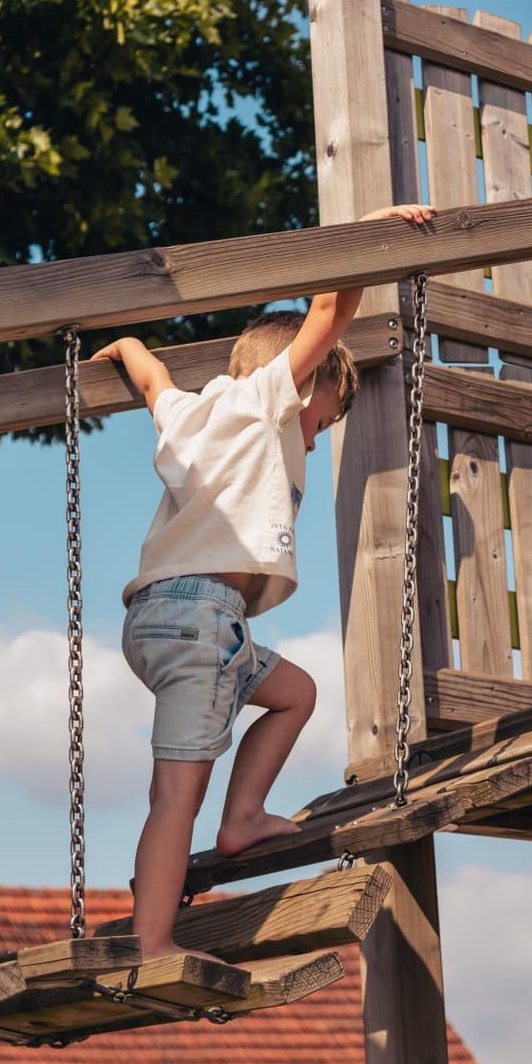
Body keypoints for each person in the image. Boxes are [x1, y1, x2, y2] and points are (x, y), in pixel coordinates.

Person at [92, 203, 434, 959]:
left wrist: (130, 346)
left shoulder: (190, 411)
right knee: (174, 796)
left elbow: (152, 382)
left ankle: (243, 818)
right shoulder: (265, 402)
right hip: (201, 619)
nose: (320, 432)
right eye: (327, 416)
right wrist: (367, 231)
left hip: (168, 621)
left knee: (294, 692)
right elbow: (328, 308)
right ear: (300, 382)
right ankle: (152, 945)